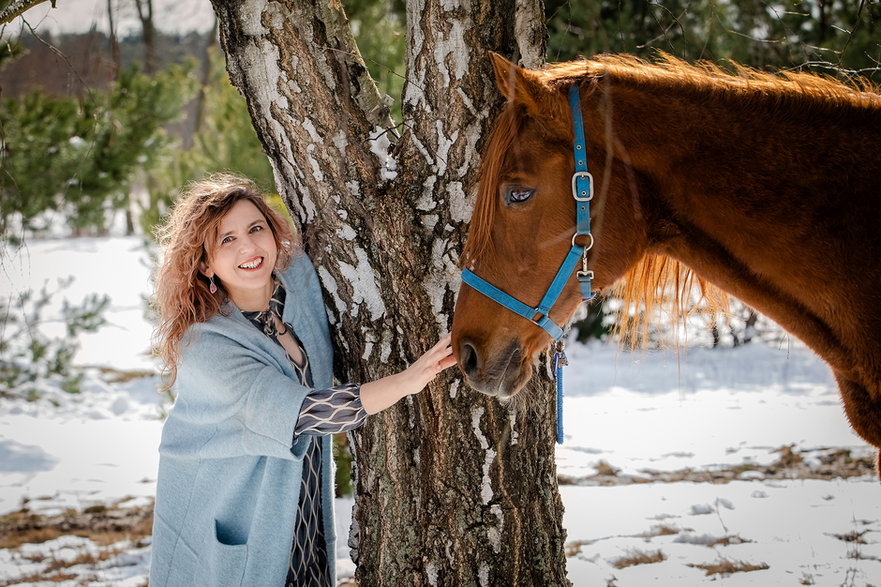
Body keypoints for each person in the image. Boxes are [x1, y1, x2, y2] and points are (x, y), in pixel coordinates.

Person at [149, 174, 456, 586]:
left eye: (256, 229)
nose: (249, 247)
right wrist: (410, 379)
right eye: (227, 240)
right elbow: (308, 412)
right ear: (205, 264)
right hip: (237, 505)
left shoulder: (297, 281)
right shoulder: (207, 348)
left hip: (302, 500)